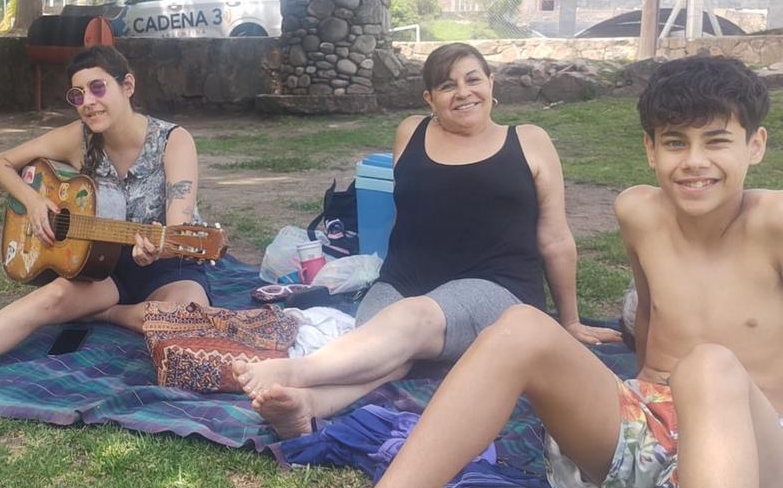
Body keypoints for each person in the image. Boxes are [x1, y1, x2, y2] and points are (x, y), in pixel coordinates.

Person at [219, 55, 782, 488]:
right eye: (675, 142)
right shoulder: (639, 212)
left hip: (747, 454)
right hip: (642, 436)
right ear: (650, 151)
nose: (695, 162)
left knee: (710, 366)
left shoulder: (775, 223)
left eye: (716, 141)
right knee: (520, 325)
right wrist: (590, 343)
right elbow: (655, 319)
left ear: (755, 144)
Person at [234, 42, 618, 438]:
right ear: (429, 98)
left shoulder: (529, 140)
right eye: (447, 86)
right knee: (386, 348)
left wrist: (569, 321)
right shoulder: (411, 133)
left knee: (408, 324)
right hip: (405, 278)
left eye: (473, 79)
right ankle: (308, 406)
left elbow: (554, 237)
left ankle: (295, 373)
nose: (464, 92)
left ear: (491, 82)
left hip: (496, 287)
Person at [0, 45, 210, 424]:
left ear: (128, 86)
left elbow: (178, 222)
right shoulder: (79, 137)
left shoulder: (174, 140)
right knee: (50, 297)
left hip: (169, 262)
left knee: (189, 318)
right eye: (78, 95)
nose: (88, 102)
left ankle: (106, 313)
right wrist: (33, 201)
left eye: (98, 88)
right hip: (105, 262)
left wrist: (159, 247)